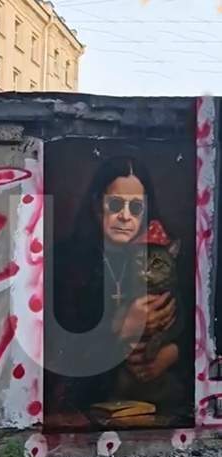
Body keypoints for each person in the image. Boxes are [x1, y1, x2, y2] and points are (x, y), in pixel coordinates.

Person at [46, 155, 190, 425]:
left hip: (153, 410)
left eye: (135, 208)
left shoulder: (160, 256)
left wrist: (171, 354)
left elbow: (194, 330)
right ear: (95, 205)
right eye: (115, 205)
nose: (125, 216)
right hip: (85, 410)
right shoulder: (64, 261)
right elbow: (59, 356)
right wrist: (124, 328)